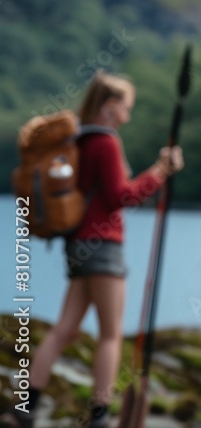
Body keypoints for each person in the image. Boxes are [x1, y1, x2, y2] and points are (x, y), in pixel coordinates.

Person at [11, 71, 184, 428]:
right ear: (109, 106)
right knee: (110, 333)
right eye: (125, 108)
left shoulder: (77, 142)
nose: (127, 116)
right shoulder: (106, 143)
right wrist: (160, 172)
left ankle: (24, 408)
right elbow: (122, 196)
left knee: (64, 330)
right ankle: (100, 415)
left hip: (77, 245)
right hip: (104, 246)